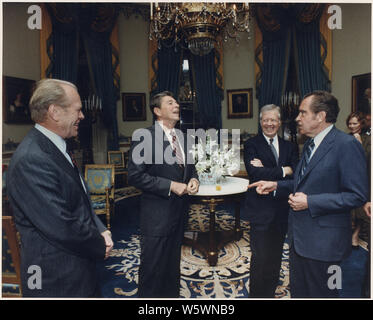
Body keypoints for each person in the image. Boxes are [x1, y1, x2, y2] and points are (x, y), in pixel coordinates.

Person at [248, 91, 369, 298]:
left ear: (320, 116)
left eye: (303, 113)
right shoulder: (310, 145)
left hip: (327, 246)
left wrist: (310, 202)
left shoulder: (346, 146)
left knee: (326, 294)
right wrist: (275, 185)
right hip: (300, 240)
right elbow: (302, 182)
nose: (297, 118)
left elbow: (356, 195)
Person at [6, 79, 113, 297]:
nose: (82, 116)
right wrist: (99, 244)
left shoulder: (55, 147)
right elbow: (62, 225)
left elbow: (80, 199)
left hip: (77, 267)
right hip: (56, 277)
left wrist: (100, 228)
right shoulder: (31, 159)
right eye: (78, 110)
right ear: (55, 112)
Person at [127, 91, 199, 298]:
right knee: (152, 269)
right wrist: (171, 186)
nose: (177, 105)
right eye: (170, 102)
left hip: (179, 213)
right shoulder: (144, 136)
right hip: (156, 215)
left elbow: (190, 169)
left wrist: (194, 179)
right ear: (157, 111)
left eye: (176, 102)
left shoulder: (184, 137)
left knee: (171, 267)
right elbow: (135, 176)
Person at [244, 104, 299, 298]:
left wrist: (270, 169)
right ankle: (258, 295)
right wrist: (285, 170)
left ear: (279, 122)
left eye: (273, 120)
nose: (269, 124)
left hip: (284, 208)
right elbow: (254, 173)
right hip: (260, 208)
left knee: (276, 253)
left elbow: (297, 174)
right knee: (260, 256)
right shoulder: (251, 144)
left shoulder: (290, 146)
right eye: (265, 120)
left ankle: (271, 289)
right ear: (260, 122)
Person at [346, 111, 369, 248]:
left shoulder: (368, 139)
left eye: (355, 123)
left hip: (362, 177)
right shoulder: (345, 137)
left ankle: (356, 235)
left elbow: (367, 160)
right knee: (348, 209)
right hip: (347, 177)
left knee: (360, 209)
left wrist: (359, 144)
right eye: (350, 123)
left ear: (361, 123)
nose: (352, 126)